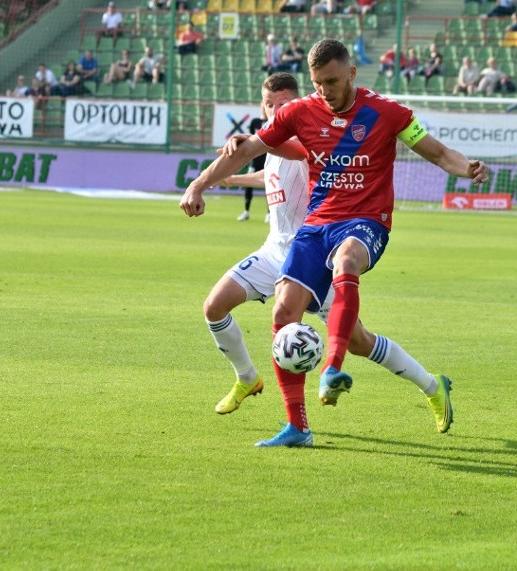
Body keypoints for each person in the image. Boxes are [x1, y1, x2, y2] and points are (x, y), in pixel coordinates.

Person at [180, 39, 489, 447]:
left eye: (332, 81)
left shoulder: (388, 112)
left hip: (365, 222)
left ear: (352, 74)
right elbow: (250, 149)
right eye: (317, 82)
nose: (325, 90)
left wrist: (465, 168)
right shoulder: (299, 112)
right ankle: (298, 428)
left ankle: (331, 369)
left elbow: (437, 151)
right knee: (283, 315)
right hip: (316, 225)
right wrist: (201, 182)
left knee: (346, 261)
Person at [237, 109, 269, 222]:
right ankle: (246, 211)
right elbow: (249, 140)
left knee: (270, 186)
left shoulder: (272, 121)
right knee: (248, 185)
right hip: (255, 160)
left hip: (268, 159)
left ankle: (269, 213)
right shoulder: (255, 122)